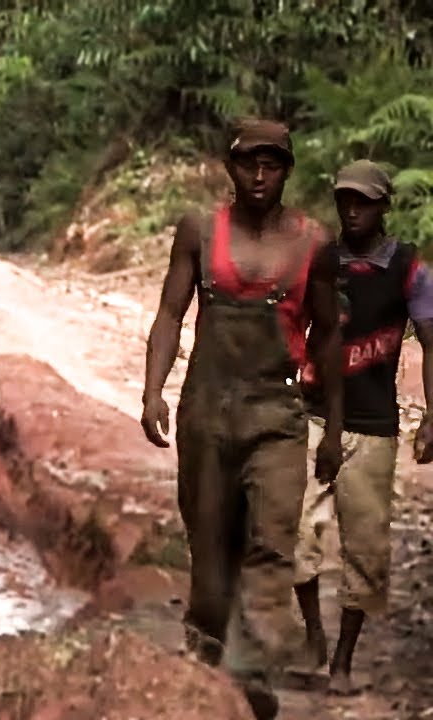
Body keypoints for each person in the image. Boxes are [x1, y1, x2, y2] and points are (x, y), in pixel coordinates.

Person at [140, 118, 344, 719]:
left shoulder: (313, 244)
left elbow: (331, 337)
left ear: (287, 170)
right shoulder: (199, 231)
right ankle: (208, 672)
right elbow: (170, 314)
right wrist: (153, 391)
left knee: (272, 543)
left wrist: (332, 428)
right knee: (209, 560)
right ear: (230, 168)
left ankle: (250, 676)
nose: (260, 175)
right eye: (249, 163)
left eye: (273, 163)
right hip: (206, 413)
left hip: (277, 417)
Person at [290, 159, 433, 695]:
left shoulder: (410, 270)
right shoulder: (320, 262)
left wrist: (432, 419)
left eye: (364, 200)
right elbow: (293, 327)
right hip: (313, 415)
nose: (352, 208)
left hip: (373, 425)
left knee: (366, 549)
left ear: (383, 206)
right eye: (345, 199)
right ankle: (312, 639)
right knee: (293, 532)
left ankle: (343, 662)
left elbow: (430, 340)